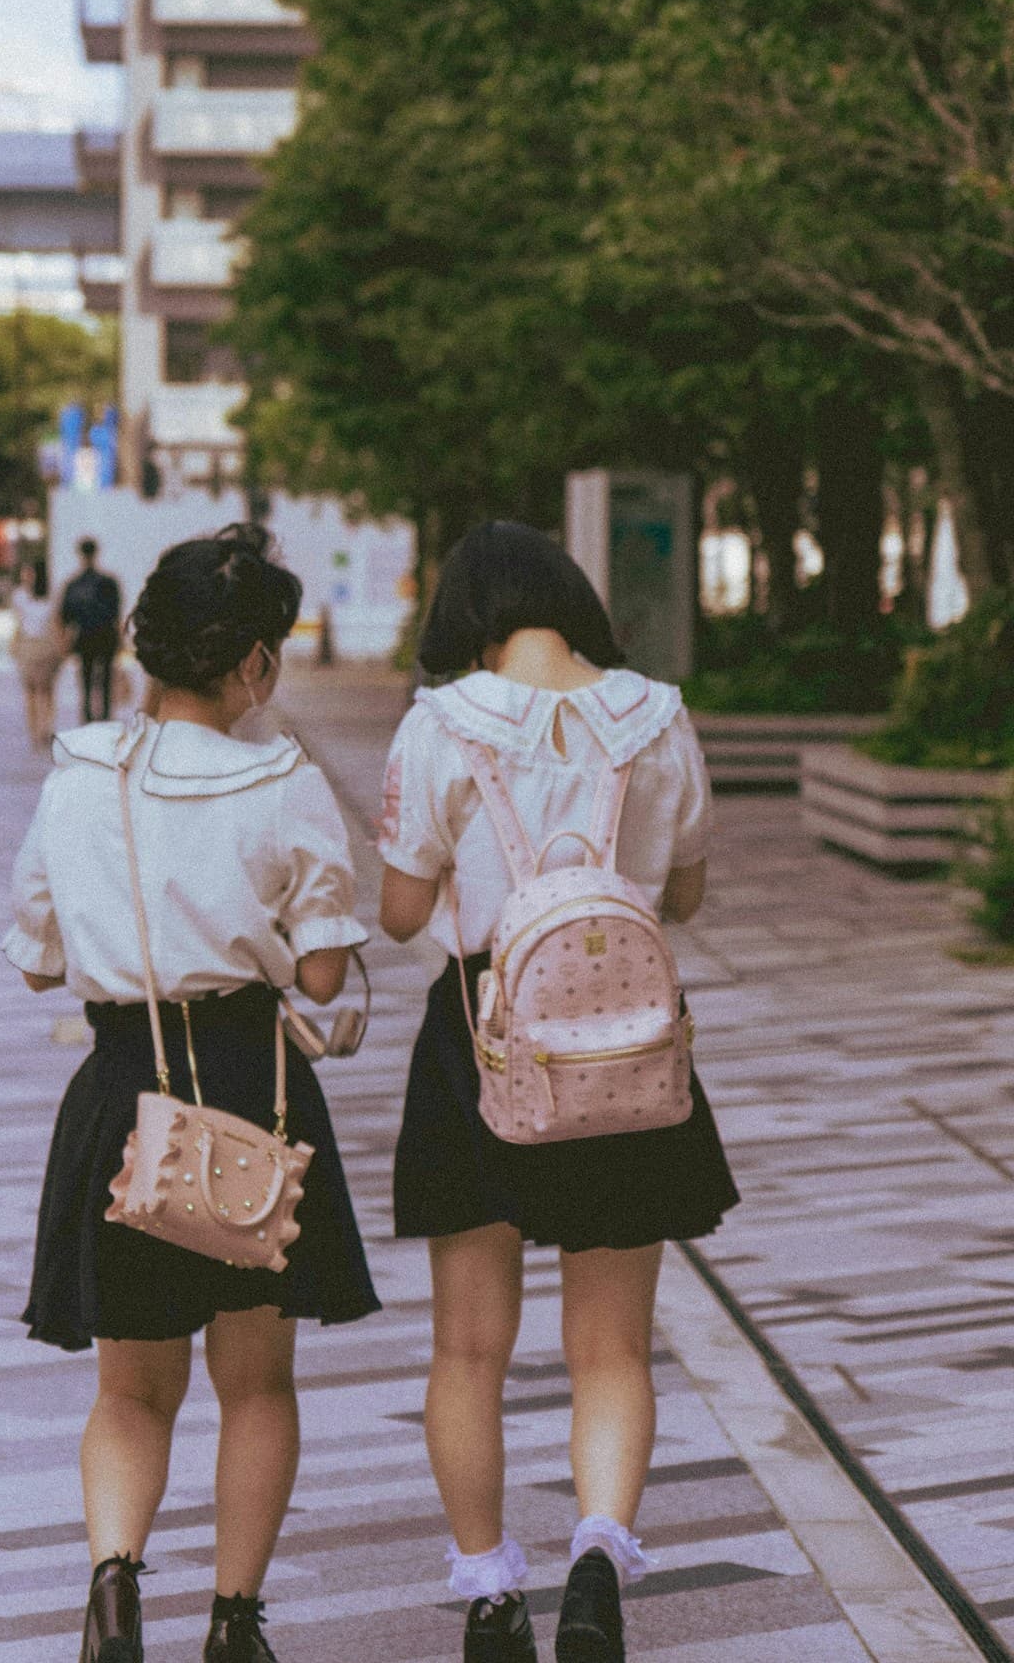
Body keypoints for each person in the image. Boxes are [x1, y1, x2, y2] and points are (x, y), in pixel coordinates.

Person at [5, 523, 379, 1663]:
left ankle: (114, 1591)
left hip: (124, 1094)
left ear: (141, 645)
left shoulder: (76, 776)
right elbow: (320, 974)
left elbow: (34, 956)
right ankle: (233, 1622)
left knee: (130, 1386)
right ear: (254, 666)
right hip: (246, 1093)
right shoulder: (282, 781)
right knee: (254, 1380)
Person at [377, 522, 739, 1663]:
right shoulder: (658, 714)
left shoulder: (441, 724)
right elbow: (682, 893)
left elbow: (399, 909)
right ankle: (595, 1554)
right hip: (625, 1047)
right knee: (613, 1347)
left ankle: (490, 1592)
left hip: (479, 1039)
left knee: (469, 1347)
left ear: (467, 614)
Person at [61, 536, 123, 723]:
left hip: (85, 635)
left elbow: (67, 616)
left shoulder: (74, 584)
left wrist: (65, 641)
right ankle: (105, 716)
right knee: (106, 679)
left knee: (86, 679)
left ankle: (87, 715)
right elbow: (116, 614)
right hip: (105, 635)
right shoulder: (108, 582)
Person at [11, 555, 64, 751]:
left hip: (43, 646)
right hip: (30, 646)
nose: (25, 575)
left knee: (44, 690)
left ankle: (45, 728)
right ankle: (36, 730)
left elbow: (56, 623)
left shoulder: (49, 596)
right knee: (32, 691)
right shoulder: (20, 596)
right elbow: (18, 623)